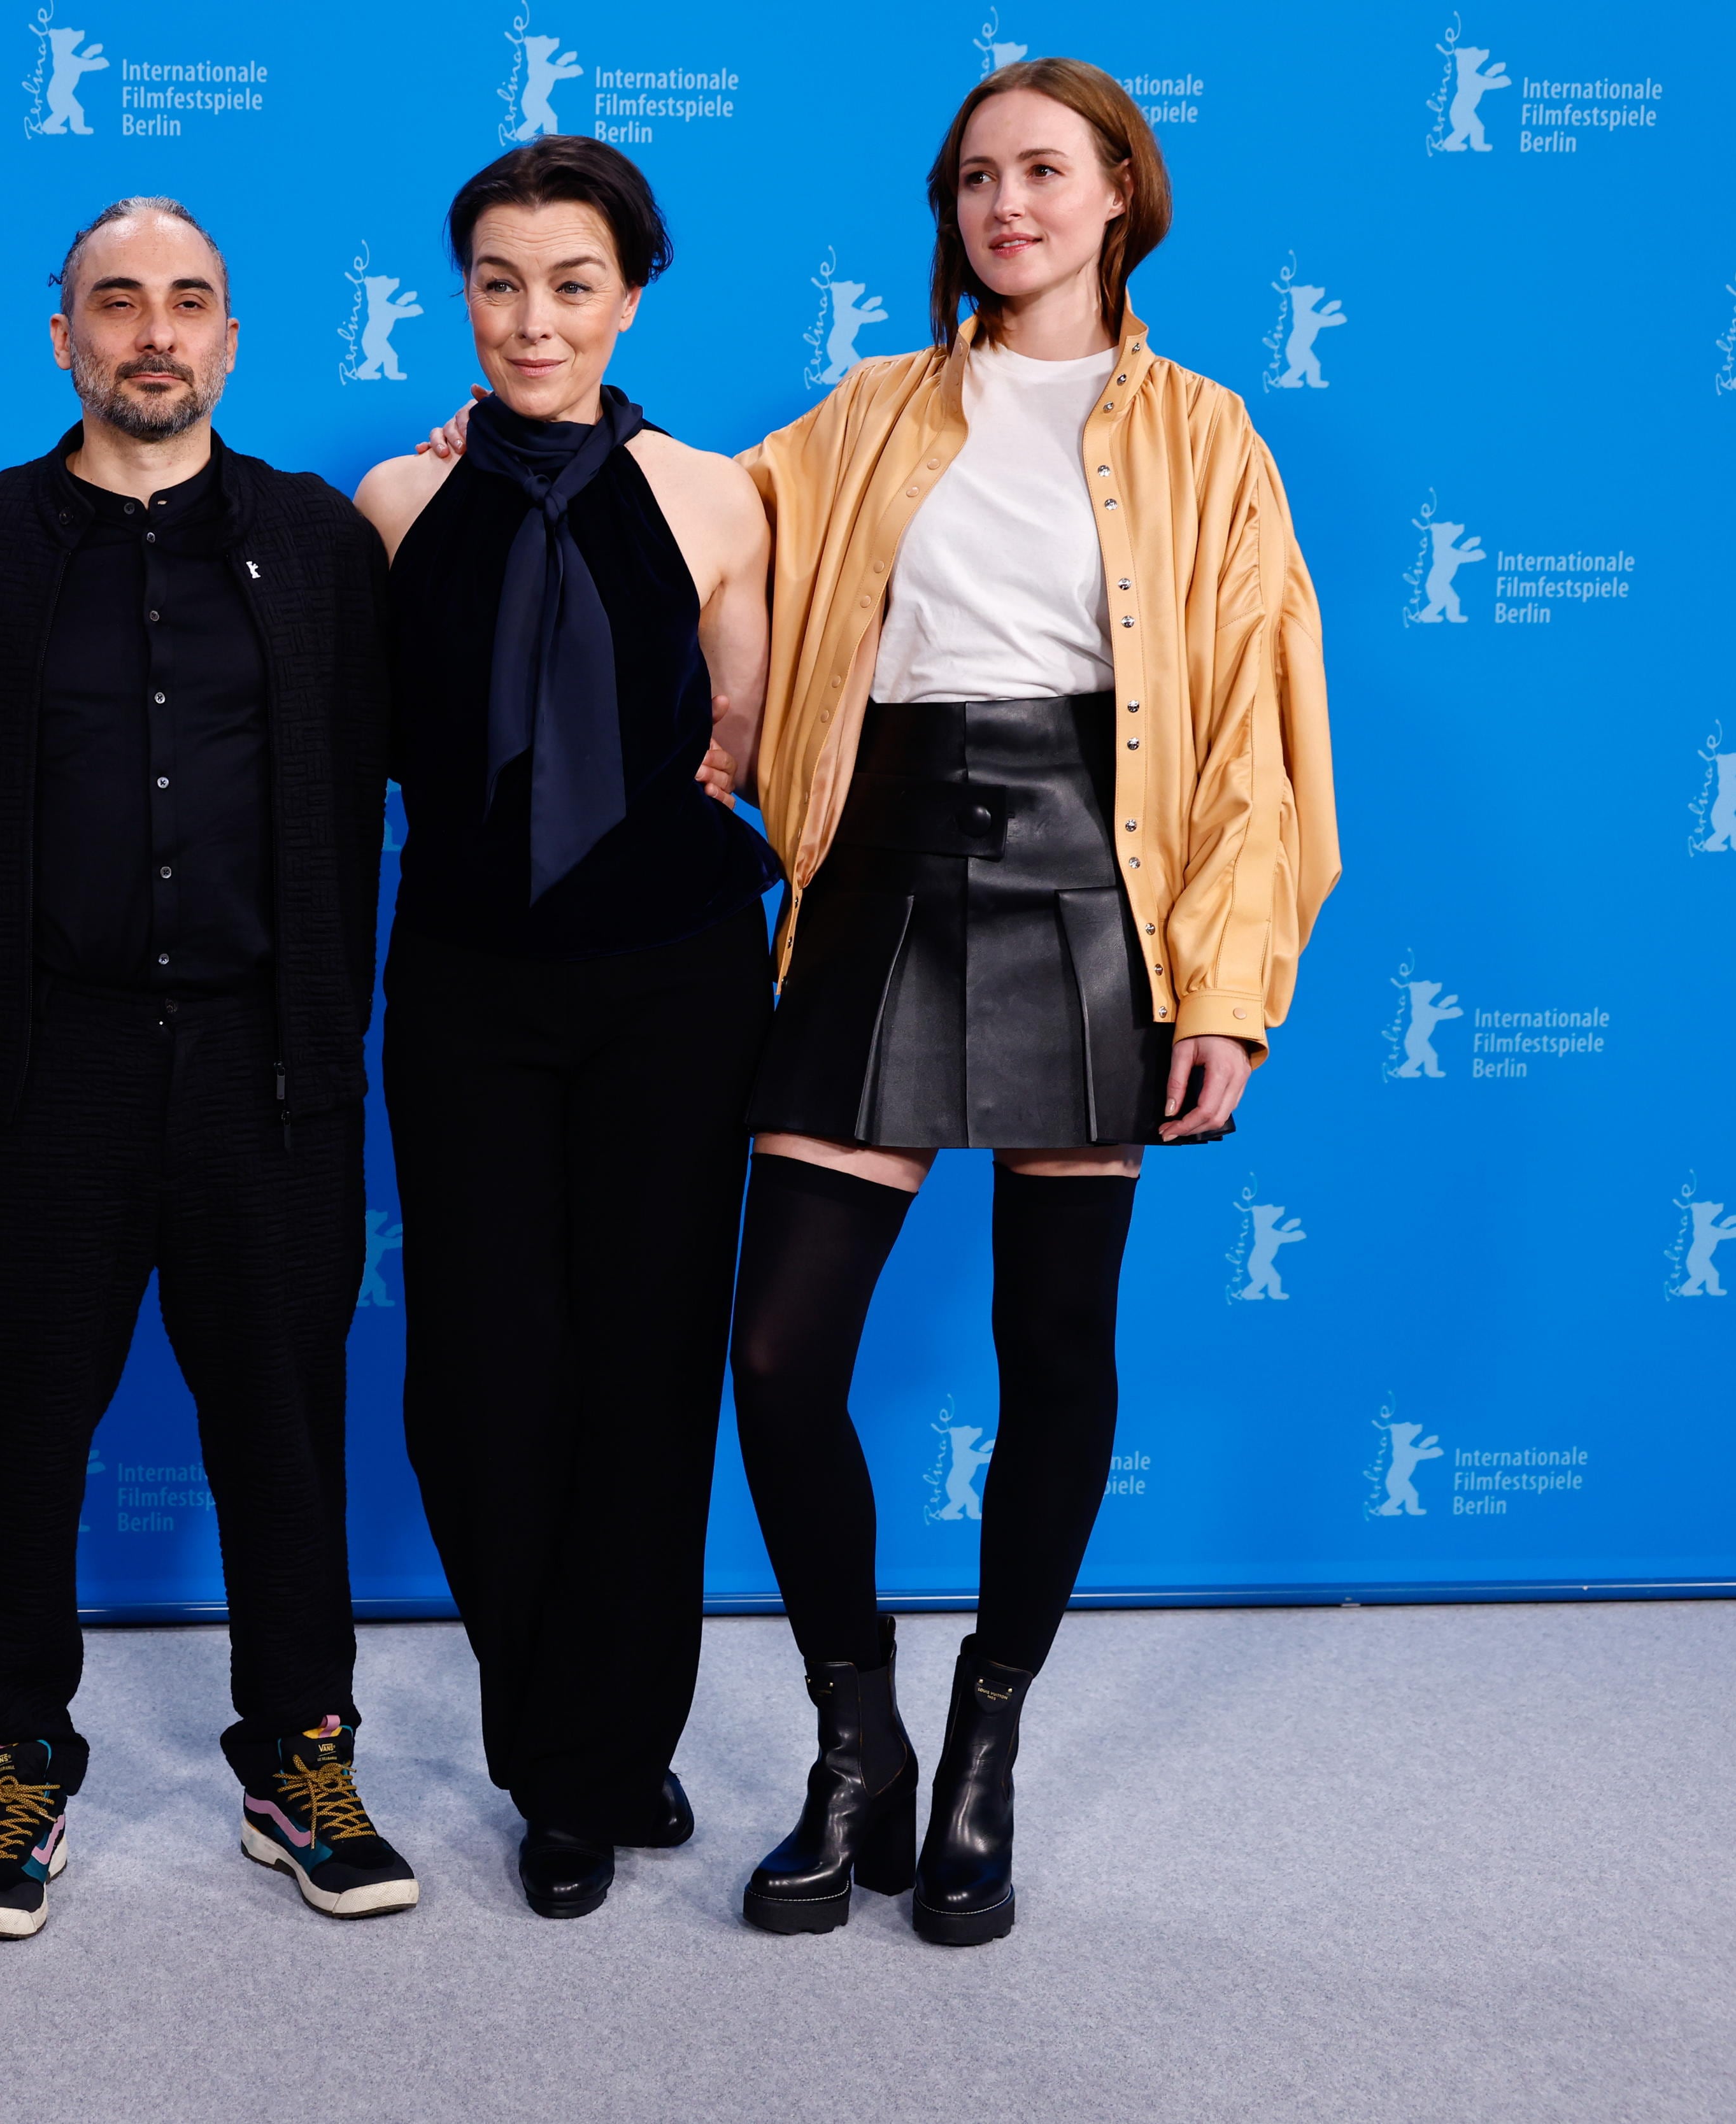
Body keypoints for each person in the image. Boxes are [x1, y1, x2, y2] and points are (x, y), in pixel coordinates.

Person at [728, 59, 1337, 1946]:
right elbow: (701, 537)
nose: (1008, 204)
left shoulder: (1209, 435)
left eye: (1045, 172)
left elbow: (1256, 726)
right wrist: (506, 443)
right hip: (883, 873)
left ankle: (989, 1733)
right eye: (978, 178)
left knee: (1055, 1349)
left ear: (1120, 198)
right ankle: (858, 1741)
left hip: (1100, 882)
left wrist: (1226, 989)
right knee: (776, 1357)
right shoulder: (868, 414)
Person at [0, 196, 404, 1937]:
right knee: (18, 1428)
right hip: (47, 1067)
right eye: (117, 302)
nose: (153, 332)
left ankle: (299, 1754)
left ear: (233, 339)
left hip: (270, 1067)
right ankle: (13, 1761)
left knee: (283, 1425)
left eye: (188, 300)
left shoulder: (323, 546)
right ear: (63, 337)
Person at [353, 137, 779, 1921]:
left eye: (574, 282)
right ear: (465, 295)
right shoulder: (389, 499)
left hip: (673, 975)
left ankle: (593, 1763)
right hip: (465, 977)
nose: (536, 318)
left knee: (647, 1367)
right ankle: (561, 1731)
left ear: (633, 292)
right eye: (501, 283)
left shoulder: (719, 497)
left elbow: (743, 726)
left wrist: (742, 732)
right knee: (476, 1381)